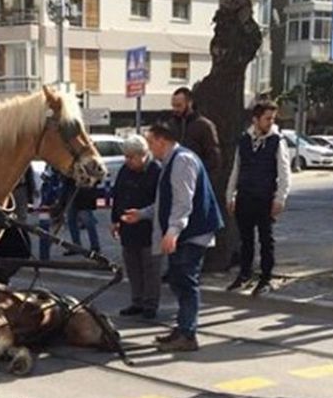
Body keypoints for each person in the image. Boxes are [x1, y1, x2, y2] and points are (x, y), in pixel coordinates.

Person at [121, 122, 224, 352]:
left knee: (185, 281)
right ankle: (183, 327)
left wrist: (172, 231)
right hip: (185, 232)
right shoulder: (171, 161)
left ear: (161, 140)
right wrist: (142, 214)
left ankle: (187, 334)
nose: (148, 148)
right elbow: (165, 201)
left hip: (192, 233)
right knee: (178, 279)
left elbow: (182, 202)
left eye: (150, 142)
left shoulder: (182, 160)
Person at [225, 101, 291, 296]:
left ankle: (266, 277)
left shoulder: (277, 141)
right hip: (245, 196)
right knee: (245, 239)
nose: (270, 122)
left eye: (272, 119)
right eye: (267, 118)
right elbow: (236, 169)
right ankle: (245, 274)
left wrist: (280, 198)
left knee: (266, 239)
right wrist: (230, 195)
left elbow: (284, 172)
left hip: (265, 197)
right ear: (256, 119)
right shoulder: (244, 140)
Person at [111, 135, 161, 319]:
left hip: (148, 229)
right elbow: (118, 195)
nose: (128, 161)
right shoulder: (125, 171)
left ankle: (150, 304)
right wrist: (115, 219)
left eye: (131, 157)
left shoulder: (156, 171)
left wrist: (142, 214)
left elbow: (160, 202)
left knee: (150, 268)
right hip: (128, 228)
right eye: (126, 157)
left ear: (143, 154)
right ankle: (137, 300)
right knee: (133, 267)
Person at [169, 87, 222, 181]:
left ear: (189, 103)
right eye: (173, 106)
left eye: (179, 106)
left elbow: (213, 158)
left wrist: (198, 174)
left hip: (196, 178)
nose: (175, 109)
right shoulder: (172, 125)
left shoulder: (204, 126)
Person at [60, 179, 101, 254]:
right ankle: (76, 246)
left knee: (88, 221)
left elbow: (97, 177)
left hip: (84, 194)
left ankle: (95, 246)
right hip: (72, 192)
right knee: (71, 221)